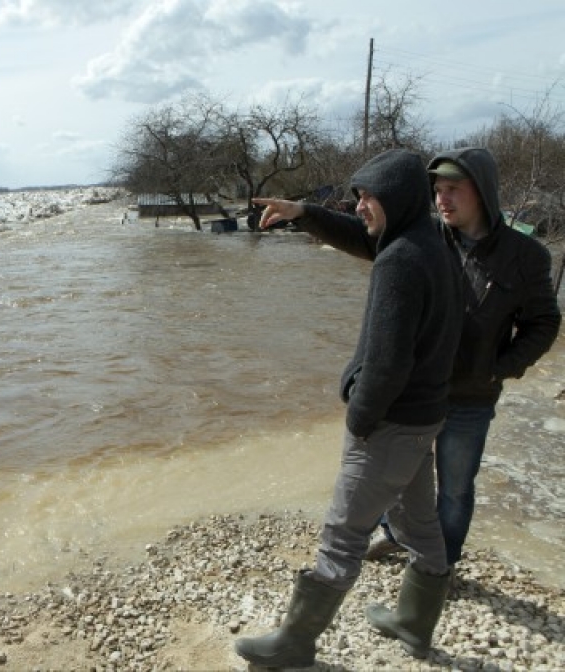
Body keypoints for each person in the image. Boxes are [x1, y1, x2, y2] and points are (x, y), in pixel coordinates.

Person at [233, 148, 463, 668]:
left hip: (390, 422)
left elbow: (386, 361)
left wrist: (360, 420)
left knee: (343, 533)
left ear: (399, 199)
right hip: (425, 415)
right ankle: (413, 624)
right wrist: (306, 214)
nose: (360, 205)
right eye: (357, 196)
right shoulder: (429, 241)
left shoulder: (401, 260)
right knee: (420, 523)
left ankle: (294, 643)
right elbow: (367, 240)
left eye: (368, 197)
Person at [367, 147, 562, 566]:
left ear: (483, 192)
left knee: (454, 489)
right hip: (416, 392)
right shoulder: (424, 238)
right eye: (437, 190)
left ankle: (440, 565)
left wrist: (500, 369)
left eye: (453, 189)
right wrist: (304, 213)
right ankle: (395, 536)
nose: (442, 199)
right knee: (397, 478)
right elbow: (360, 234)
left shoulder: (527, 256)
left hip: (472, 398)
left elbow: (544, 323)